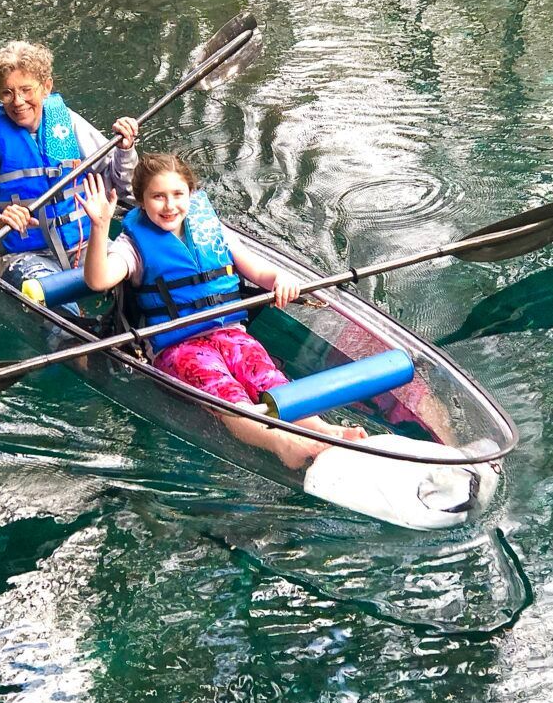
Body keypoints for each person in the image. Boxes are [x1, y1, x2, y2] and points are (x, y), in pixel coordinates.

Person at [79, 153, 367, 469]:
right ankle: (282, 443)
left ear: (190, 193)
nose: (169, 205)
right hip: (178, 347)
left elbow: (260, 273)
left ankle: (324, 431)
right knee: (228, 396)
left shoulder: (209, 228)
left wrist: (280, 279)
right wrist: (99, 227)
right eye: (158, 197)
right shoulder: (131, 245)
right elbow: (98, 279)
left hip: (229, 333)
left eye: (178, 194)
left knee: (270, 379)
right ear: (142, 201)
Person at [0, 40, 140, 311]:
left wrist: (126, 152)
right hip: (24, 254)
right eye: (7, 93)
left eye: (26, 90)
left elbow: (127, 191)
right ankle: (76, 347)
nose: (18, 102)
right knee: (60, 310)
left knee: (144, 277)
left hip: (85, 244)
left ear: (46, 87)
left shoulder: (68, 125)